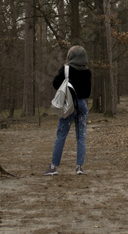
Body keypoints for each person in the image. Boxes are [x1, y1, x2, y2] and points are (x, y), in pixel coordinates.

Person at [44, 45, 91, 175]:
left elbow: (55, 84)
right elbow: (87, 92)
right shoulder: (88, 72)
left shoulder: (66, 69)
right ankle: (79, 167)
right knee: (81, 136)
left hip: (69, 105)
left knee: (61, 135)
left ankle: (53, 167)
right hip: (82, 105)